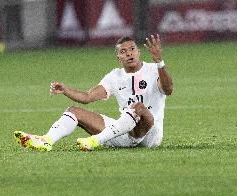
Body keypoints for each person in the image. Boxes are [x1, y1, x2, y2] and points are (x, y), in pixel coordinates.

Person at [14, 34, 173, 152]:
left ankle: (94, 141)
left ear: (138, 52)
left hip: (150, 135)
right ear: (118, 57)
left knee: (138, 107)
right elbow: (87, 97)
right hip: (125, 132)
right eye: (123, 51)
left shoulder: (154, 69)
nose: (129, 53)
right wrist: (66, 90)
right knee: (73, 111)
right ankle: (47, 140)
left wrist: (159, 61)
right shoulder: (114, 76)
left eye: (132, 49)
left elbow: (168, 89)